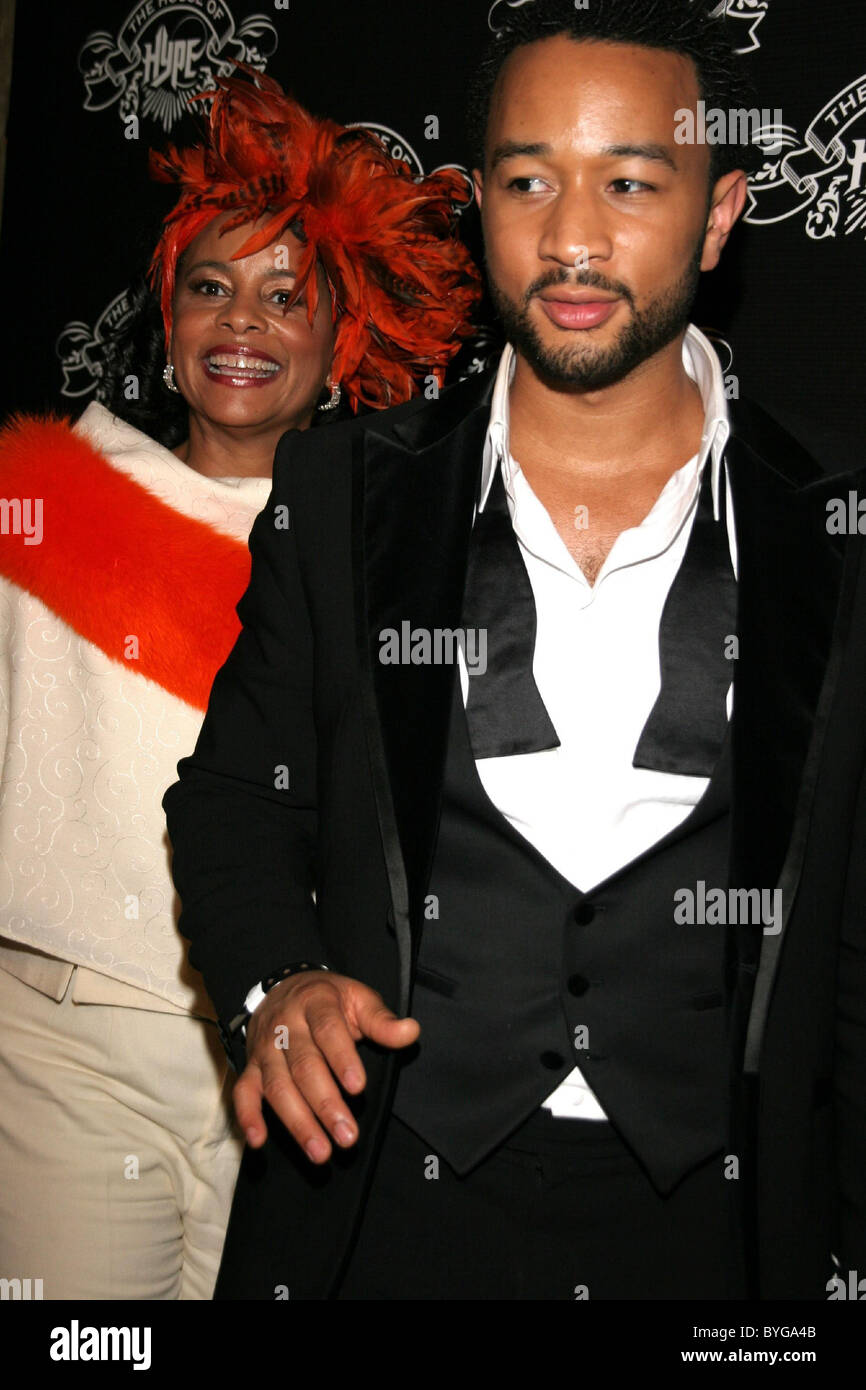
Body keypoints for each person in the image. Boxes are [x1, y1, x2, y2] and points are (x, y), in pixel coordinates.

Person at [162, 3, 866, 1301]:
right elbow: (228, 807)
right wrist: (275, 981)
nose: (574, 234)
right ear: (478, 204)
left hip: (719, 1241)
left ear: (717, 217)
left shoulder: (831, 524)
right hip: (380, 1212)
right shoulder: (344, 496)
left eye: (630, 182)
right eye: (530, 179)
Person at [0, 68, 479, 1300]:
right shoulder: (47, 502)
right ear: (167, 325)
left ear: (339, 344)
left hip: (300, 1073)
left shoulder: (393, 563)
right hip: (69, 1040)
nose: (242, 324)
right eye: (210, 289)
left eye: (284, 297)